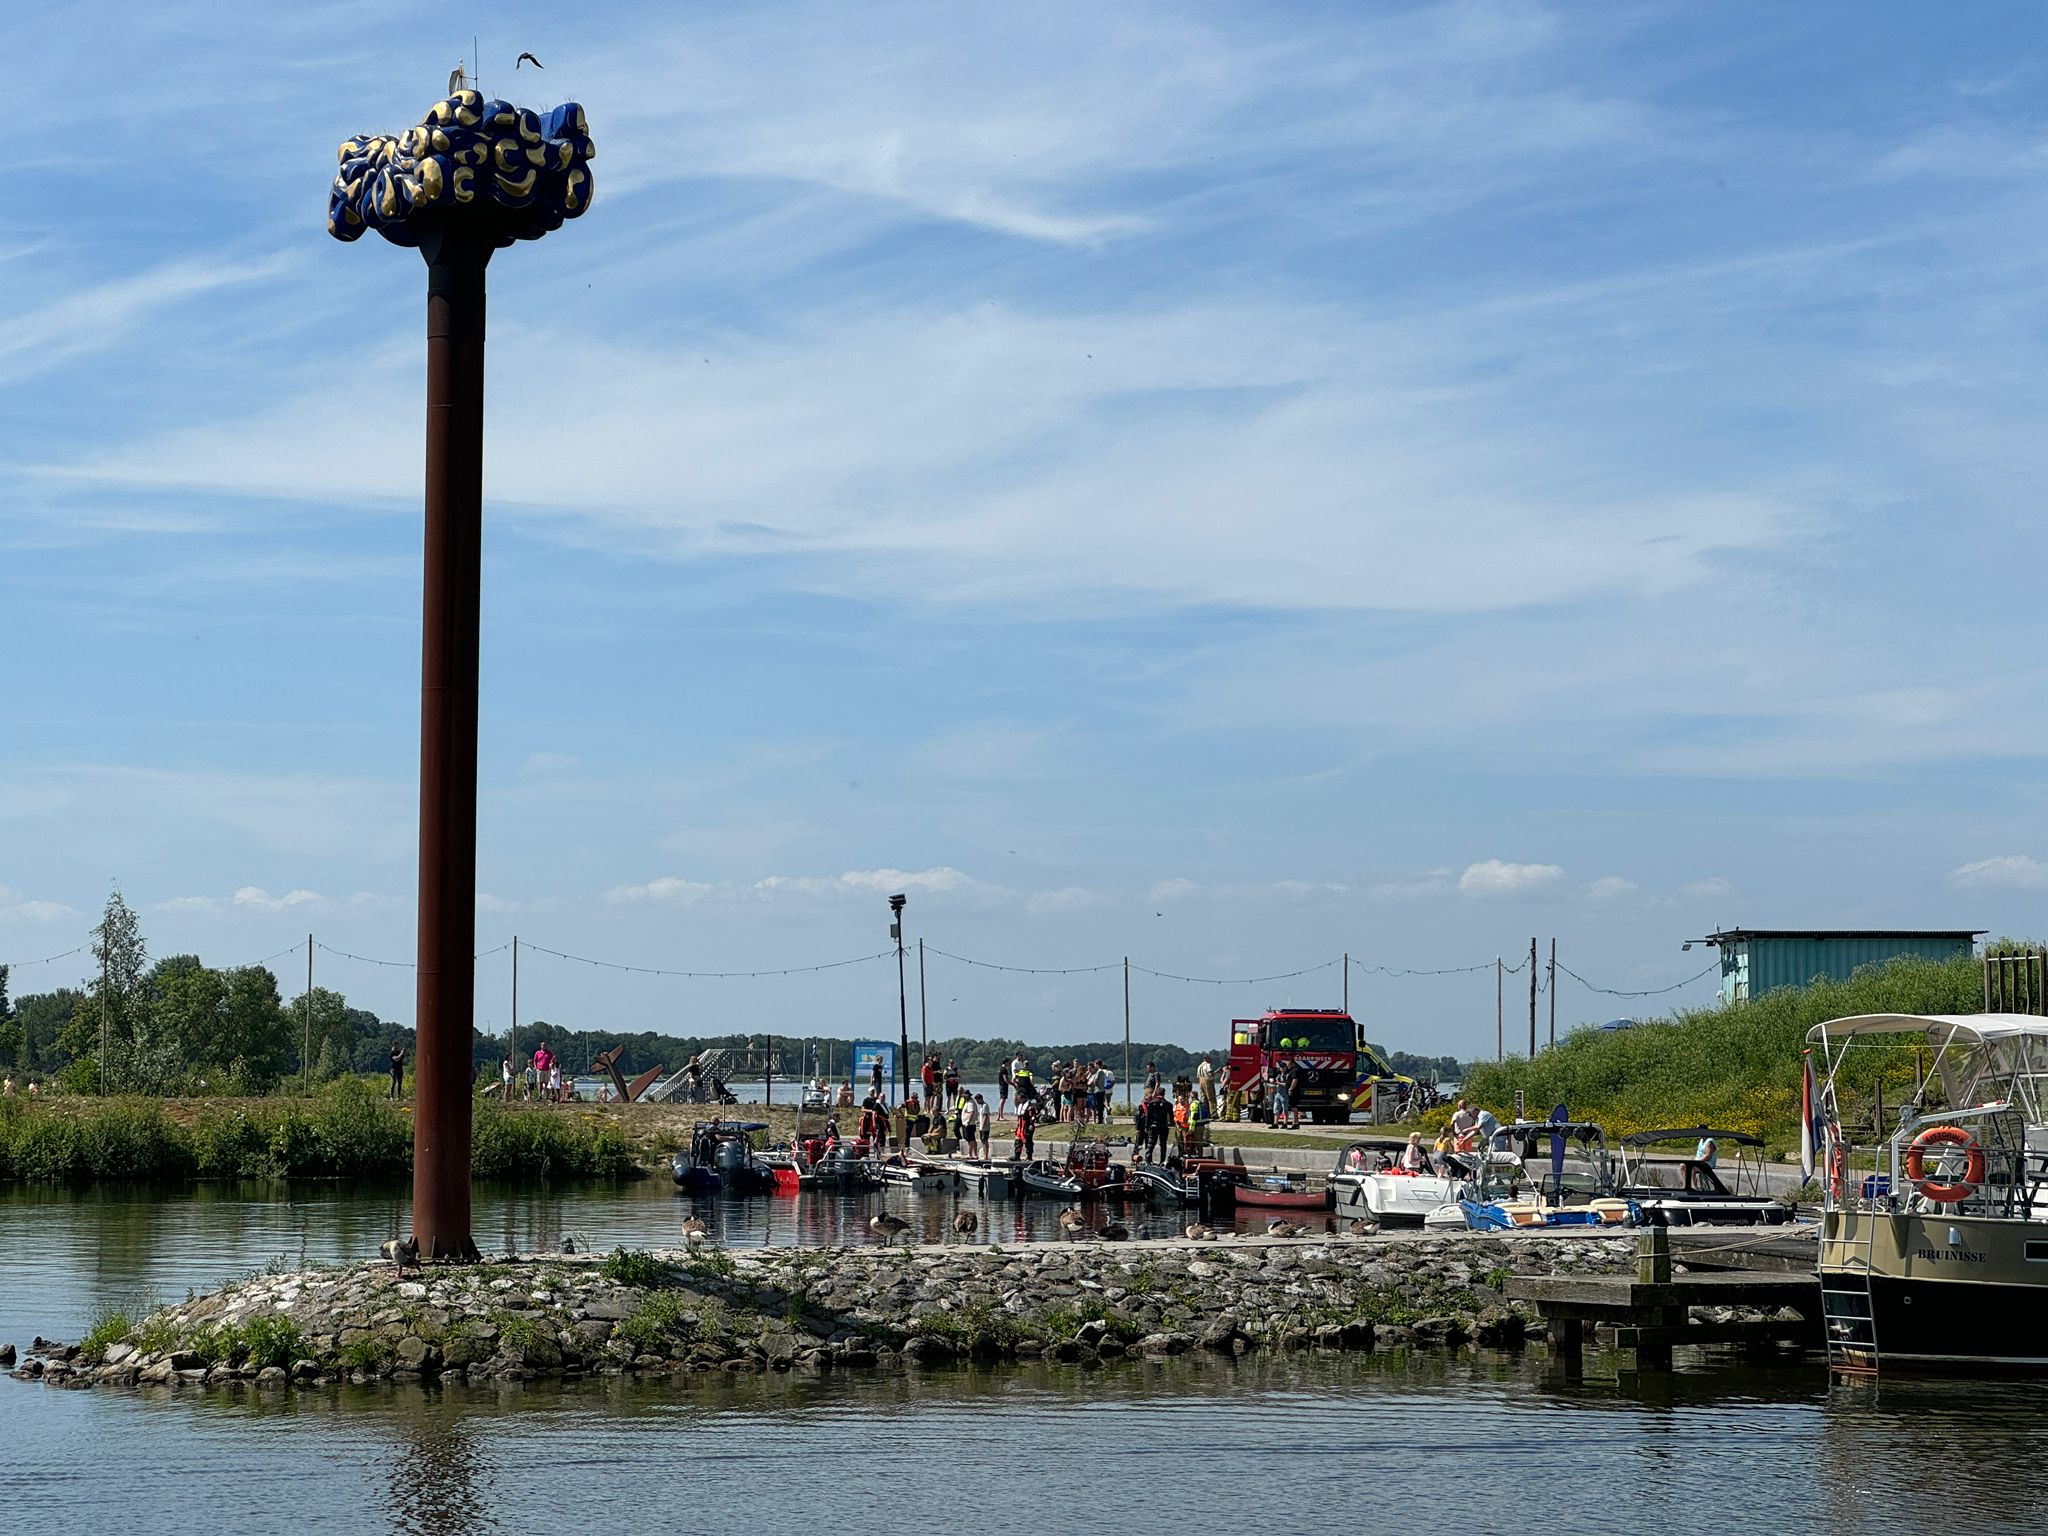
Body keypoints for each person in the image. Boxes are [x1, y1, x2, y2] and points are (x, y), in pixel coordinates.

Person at [1283, 1059, 1307, 1130]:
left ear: (1292, 1064)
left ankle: (1295, 1123)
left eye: (1288, 1064)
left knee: (1294, 1107)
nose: (1287, 1066)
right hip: (1292, 1090)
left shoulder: (1294, 1070)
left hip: (1294, 1091)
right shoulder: (1291, 1070)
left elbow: (1295, 1080)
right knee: (1292, 1107)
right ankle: (1295, 1123)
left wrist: (1291, 1089)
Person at [973, 1094, 992, 1162]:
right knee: (982, 1140)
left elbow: (985, 1116)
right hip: (981, 1126)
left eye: (977, 1100)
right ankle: (984, 1155)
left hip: (985, 1127)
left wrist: (982, 1125)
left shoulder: (985, 1106)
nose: (977, 1102)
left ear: (980, 1099)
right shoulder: (981, 1106)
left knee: (985, 1141)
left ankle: (986, 1156)